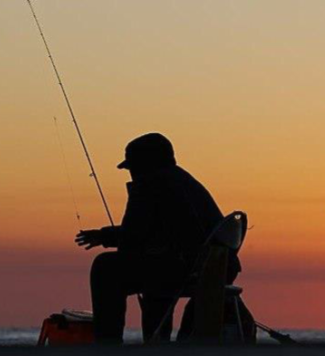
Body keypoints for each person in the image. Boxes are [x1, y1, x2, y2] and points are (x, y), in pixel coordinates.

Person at [75, 133, 227, 343]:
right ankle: (156, 340)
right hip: (211, 267)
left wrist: (105, 236)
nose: (131, 174)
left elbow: (134, 235)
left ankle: (107, 343)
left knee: (105, 267)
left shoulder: (151, 184)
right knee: (156, 268)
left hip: (183, 268)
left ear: (145, 164)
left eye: (133, 167)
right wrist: (107, 236)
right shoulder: (184, 181)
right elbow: (156, 232)